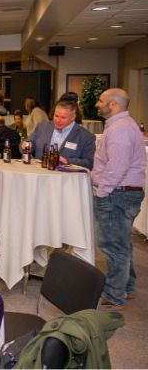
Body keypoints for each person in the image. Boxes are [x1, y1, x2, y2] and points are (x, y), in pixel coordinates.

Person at [91, 88, 146, 309]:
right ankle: (127, 286)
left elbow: (116, 168)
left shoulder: (120, 129)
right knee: (123, 243)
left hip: (117, 194)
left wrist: (102, 192)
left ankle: (115, 294)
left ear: (113, 104)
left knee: (113, 245)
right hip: (124, 192)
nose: (97, 103)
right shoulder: (122, 125)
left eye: (101, 100)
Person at [25, 99, 96, 169]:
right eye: (56, 116)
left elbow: (89, 163)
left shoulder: (86, 136)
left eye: (63, 117)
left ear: (73, 117)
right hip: (40, 174)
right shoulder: (42, 127)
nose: (58, 120)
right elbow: (26, 145)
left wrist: (67, 161)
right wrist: (25, 146)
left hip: (66, 178)